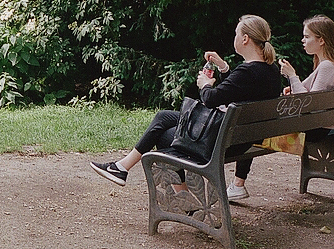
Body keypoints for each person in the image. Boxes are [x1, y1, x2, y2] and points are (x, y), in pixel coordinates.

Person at [90, 14, 282, 191]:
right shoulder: (270, 72)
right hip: (241, 139)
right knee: (164, 117)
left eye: (236, 33)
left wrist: (205, 85)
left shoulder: (246, 73)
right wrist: (223, 68)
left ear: (245, 39)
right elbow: (237, 91)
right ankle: (121, 167)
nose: (235, 37)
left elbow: (211, 99)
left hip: (220, 142)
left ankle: (184, 199)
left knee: (166, 137)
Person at [223, 15, 334, 198]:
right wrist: (293, 87)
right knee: (257, 123)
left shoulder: (327, 67)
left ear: (321, 40)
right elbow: (308, 93)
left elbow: (309, 104)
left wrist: (292, 76)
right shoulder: (331, 65)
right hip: (321, 126)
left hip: (313, 130)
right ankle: (238, 184)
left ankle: (238, 184)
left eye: (307, 36)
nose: (303, 40)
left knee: (254, 126)